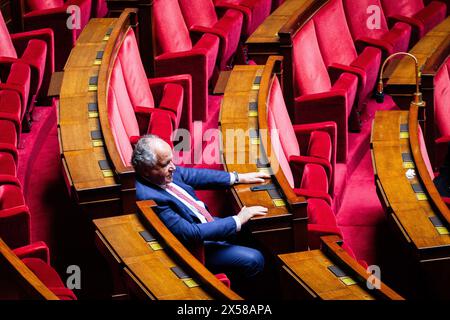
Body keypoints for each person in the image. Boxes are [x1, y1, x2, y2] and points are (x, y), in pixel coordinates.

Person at [131, 134, 270, 287]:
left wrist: (238, 178)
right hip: (197, 248)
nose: (173, 167)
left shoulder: (160, 173)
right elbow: (191, 233)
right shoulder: (148, 197)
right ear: (146, 171)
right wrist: (237, 219)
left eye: (172, 160)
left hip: (205, 224)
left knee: (256, 230)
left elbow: (195, 175)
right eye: (165, 164)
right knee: (254, 259)